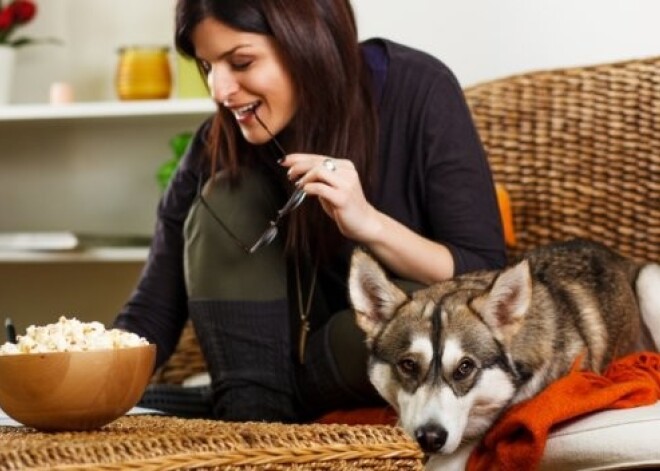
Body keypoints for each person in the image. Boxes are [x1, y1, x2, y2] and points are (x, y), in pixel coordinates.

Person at [114, 0, 507, 423]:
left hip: (370, 354)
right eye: (208, 67)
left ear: (306, 42)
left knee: (384, 333)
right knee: (229, 193)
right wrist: (78, 374)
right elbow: (154, 309)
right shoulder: (217, 142)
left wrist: (369, 223)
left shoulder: (419, 89)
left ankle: (249, 409)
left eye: (241, 61)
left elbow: (482, 276)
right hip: (262, 363)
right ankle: (252, 417)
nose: (220, 91)